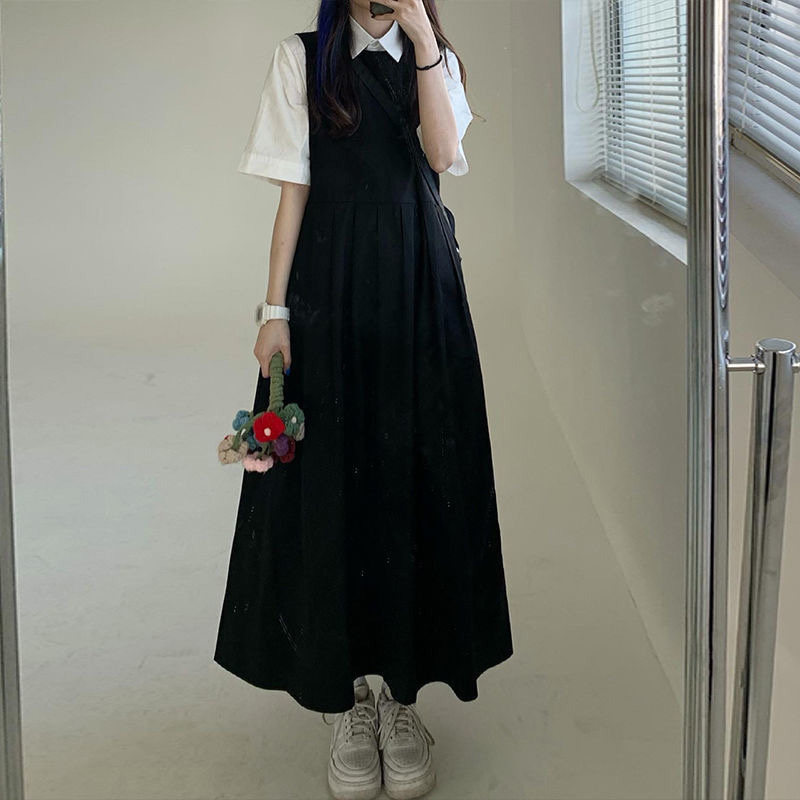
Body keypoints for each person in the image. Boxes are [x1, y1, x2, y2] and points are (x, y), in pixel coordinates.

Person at [214, 1, 513, 798]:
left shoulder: (434, 56)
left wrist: (422, 40)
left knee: (414, 475)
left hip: (420, 284)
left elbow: (442, 154)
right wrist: (273, 312)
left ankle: (402, 699)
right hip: (330, 285)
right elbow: (292, 194)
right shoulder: (303, 58)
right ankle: (346, 698)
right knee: (331, 485)